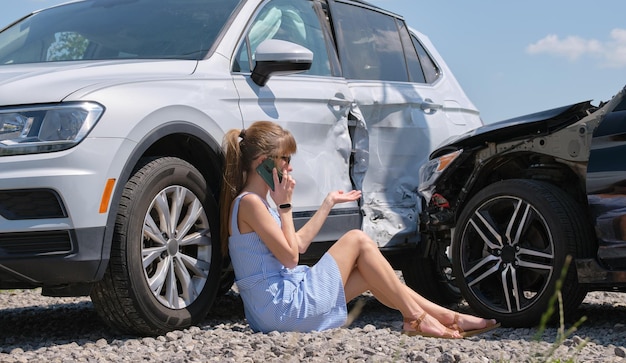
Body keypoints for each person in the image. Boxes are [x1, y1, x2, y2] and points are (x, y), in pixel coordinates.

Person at [219, 120, 499, 337]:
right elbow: (291, 259)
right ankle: (416, 318)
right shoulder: (251, 204)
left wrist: (328, 203)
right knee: (357, 239)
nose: (290, 168)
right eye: (285, 159)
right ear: (262, 163)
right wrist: (285, 207)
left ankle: (447, 318)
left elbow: (298, 245)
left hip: (273, 308)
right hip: (281, 309)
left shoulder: (258, 203)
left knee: (369, 273)